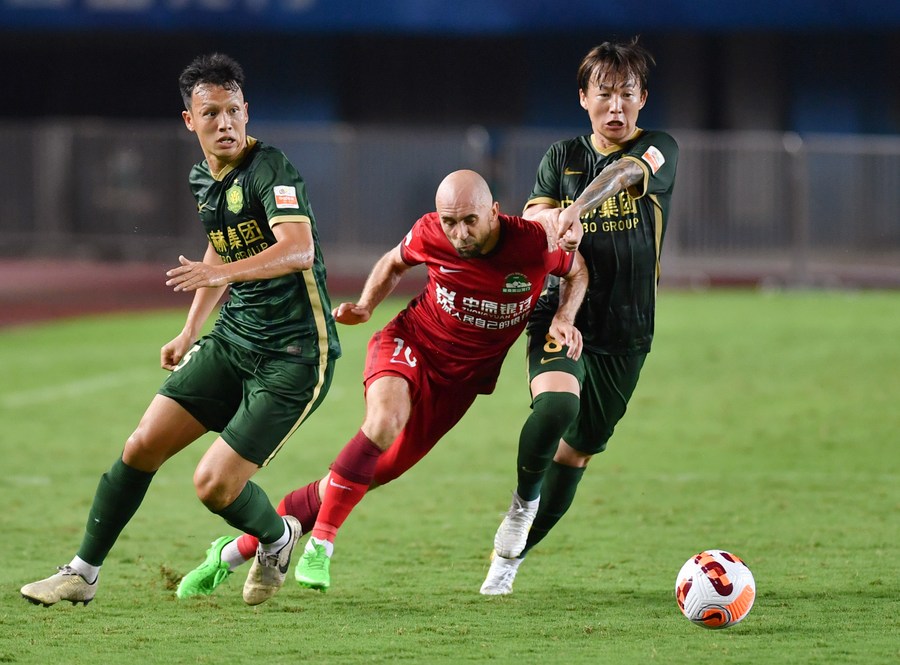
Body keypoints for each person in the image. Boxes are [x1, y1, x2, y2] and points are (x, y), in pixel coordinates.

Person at [20, 53, 341, 608]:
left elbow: (298, 249)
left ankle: (278, 536)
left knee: (213, 486)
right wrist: (190, 328)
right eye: (211, 113)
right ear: (190, 121)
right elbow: (221, 245)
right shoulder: (203, 177)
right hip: (233, 339)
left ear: (247, 111)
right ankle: (82, 574)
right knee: (141, 445)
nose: (225, 123)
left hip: (293, 354)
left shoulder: (271, 168)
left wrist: (222, 274)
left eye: (233, 110)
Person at [175, 169, 587, 600]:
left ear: (494, 212)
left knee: (360, 478)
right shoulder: (430, 232)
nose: (459, 233)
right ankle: (321, 545)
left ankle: (233, 551)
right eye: (450, 221)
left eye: (470, 220)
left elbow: (577, 271)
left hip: (458, 385)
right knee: (383, 422)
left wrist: (563, 316)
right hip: (410, 343)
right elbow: (394, 262)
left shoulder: (534, 244)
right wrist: (366, 305)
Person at [480, 37, 679, 595]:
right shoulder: (560, 156)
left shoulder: (659, 148)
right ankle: (522, 505)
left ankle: (509, 561)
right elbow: (536, 215)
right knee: (556, 404)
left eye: (627, 94)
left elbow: (623, 175)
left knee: (577, 452)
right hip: (560, 313)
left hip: (628, 329)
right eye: (604, 94)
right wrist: (553, 225)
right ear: (583, 99)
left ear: (643, 99)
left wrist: (577, 211)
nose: (616, 107)